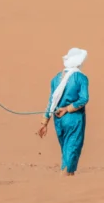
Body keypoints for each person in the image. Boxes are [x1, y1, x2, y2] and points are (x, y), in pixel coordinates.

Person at [37, 48, 89, 176]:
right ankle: (65, 182)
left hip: (58, 120)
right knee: (72, 149)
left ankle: (67, 177)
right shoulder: (80, 78)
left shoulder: (56, 79)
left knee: (66, 150)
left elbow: (52, 101)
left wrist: (44, 122)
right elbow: (84, 98)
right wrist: (68, 109)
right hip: (73, 118)